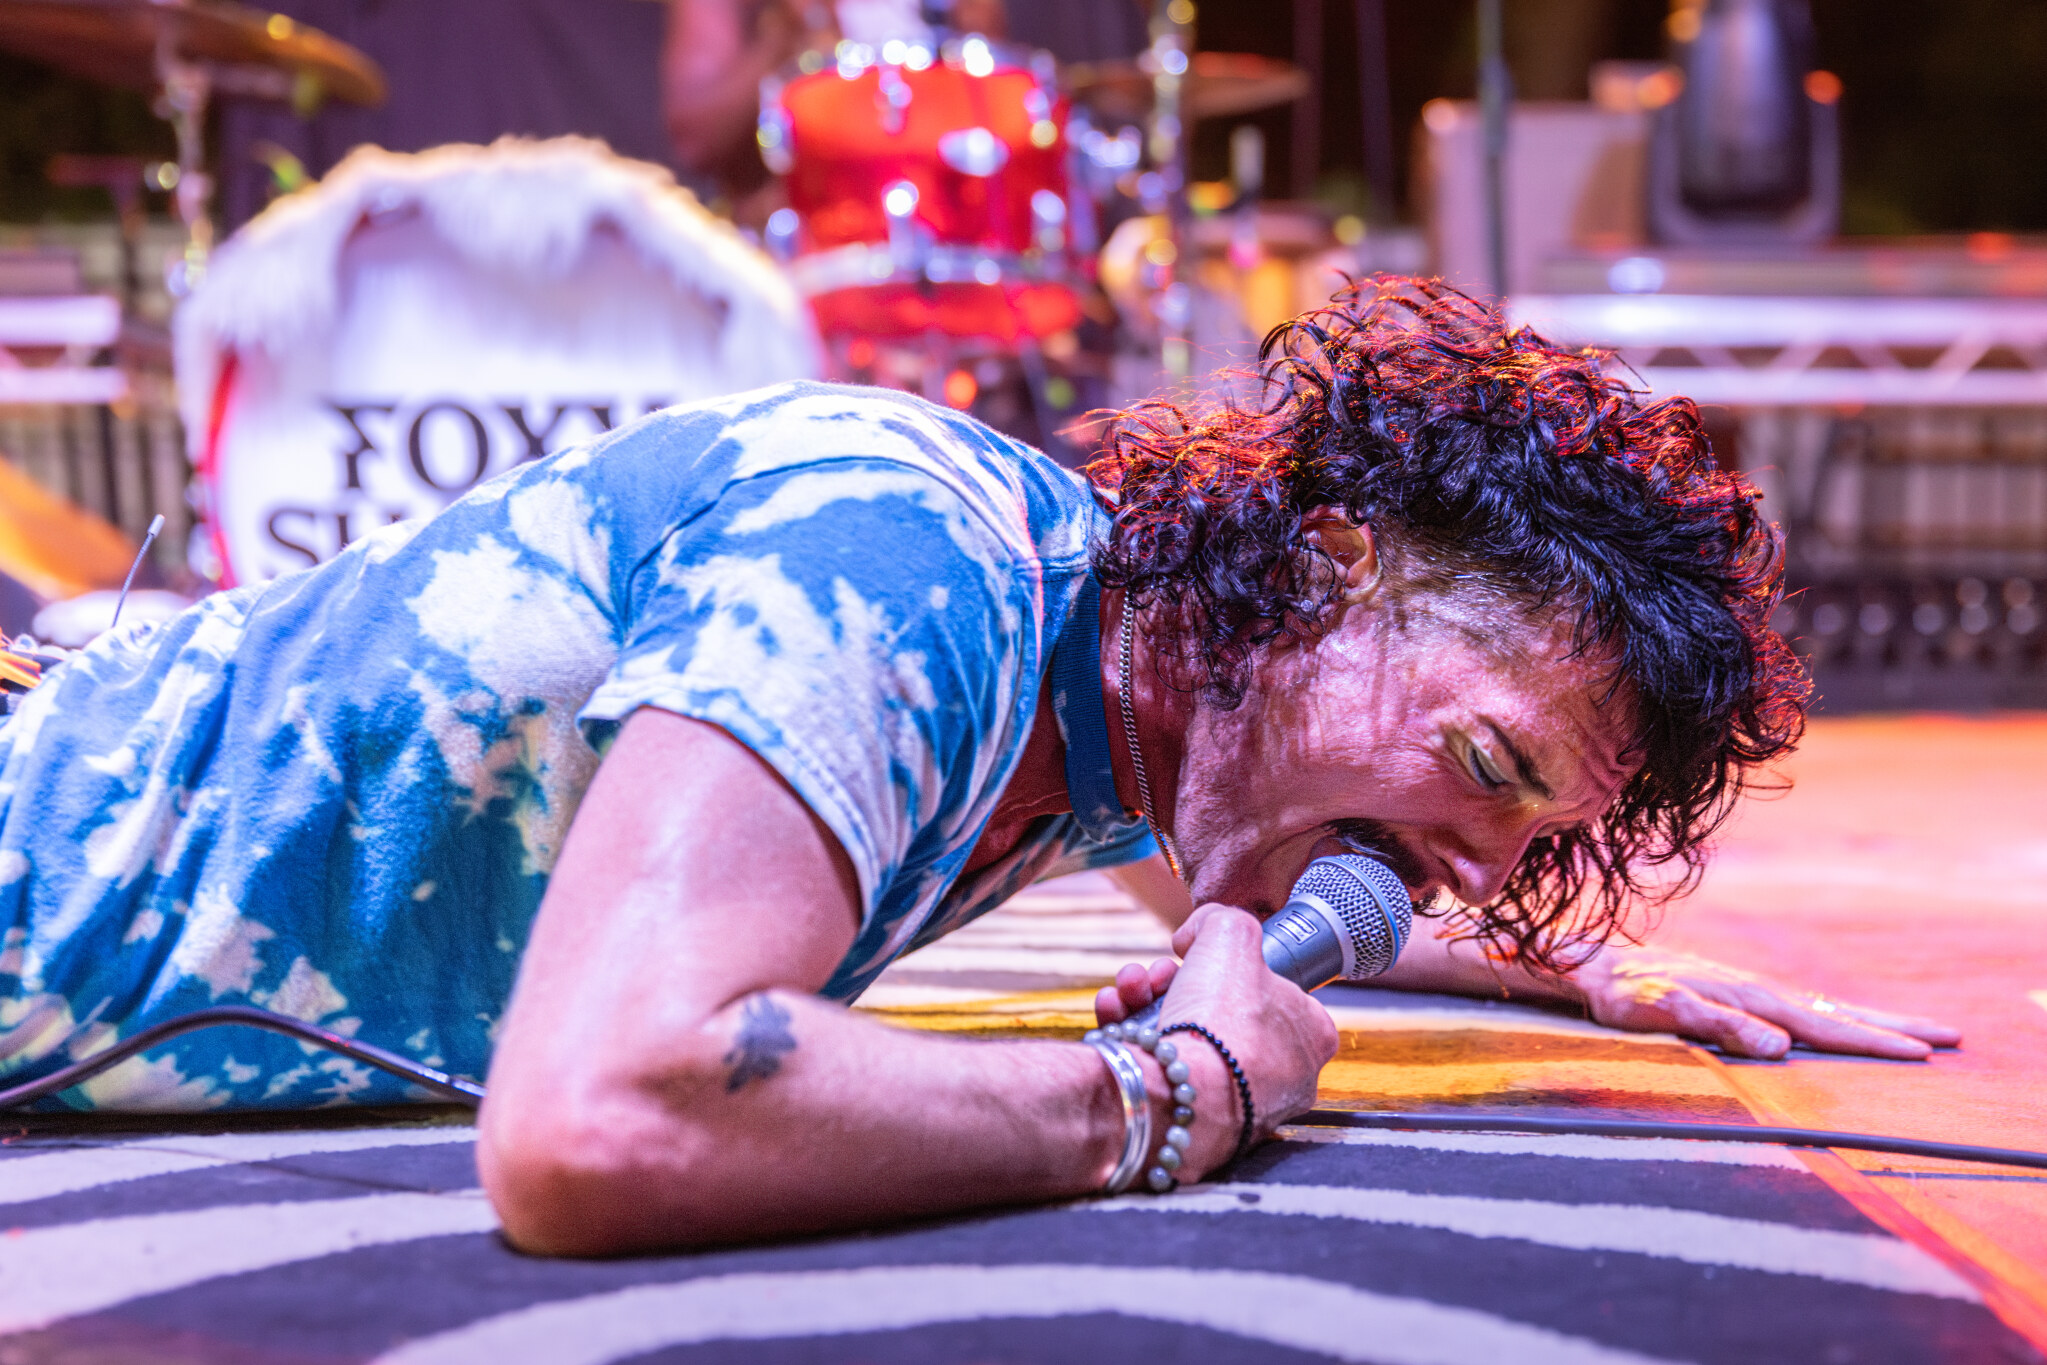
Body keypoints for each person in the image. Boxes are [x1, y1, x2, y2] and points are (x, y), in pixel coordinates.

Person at [0, 279, 1954, 1255]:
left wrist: (1582, 972)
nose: (1468, 868)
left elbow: (1263, 891)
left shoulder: (1124, 702)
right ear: (1326, 566)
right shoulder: (907, 561)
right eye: (1484, 765)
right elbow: (590, 1121)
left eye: (1525, 838)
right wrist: (1166, 1095)